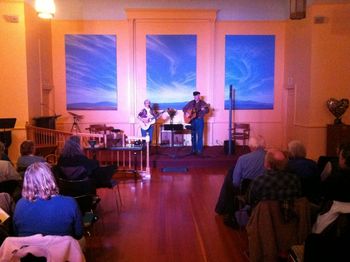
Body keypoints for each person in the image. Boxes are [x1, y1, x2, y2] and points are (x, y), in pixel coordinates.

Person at [13, 162, 83, 240]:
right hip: (61, 251)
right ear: (51, 178)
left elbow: (16, 233)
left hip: (28, 250)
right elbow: (79, 234)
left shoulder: (20, 204)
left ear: (27, 182)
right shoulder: (70, 203)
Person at [215, 135, 266, 228]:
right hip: (266, 191)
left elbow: (236, 182)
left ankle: (224, 210)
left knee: (230, 176)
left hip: (247, 192)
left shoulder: (243, 159)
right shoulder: (270, 158)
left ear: (252, 146)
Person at [286, 140, 321, 204]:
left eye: (288, 149)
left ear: (292, 151)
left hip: (295, 200)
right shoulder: (313, 163)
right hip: (313, 199)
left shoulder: (288, 165)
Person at [182, 91, 209, 155]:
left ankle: (199, 150)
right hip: (192, 121)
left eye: (198, 95)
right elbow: (184, 108)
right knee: (193, 135)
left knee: (200, 135)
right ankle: (193, 149)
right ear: (194, 96)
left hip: (200, 120)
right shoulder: (191, 102)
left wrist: (204, 109)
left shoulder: (203, 103)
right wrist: (187, 113)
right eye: (196, 96)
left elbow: (207, 110)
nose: (197, 97)